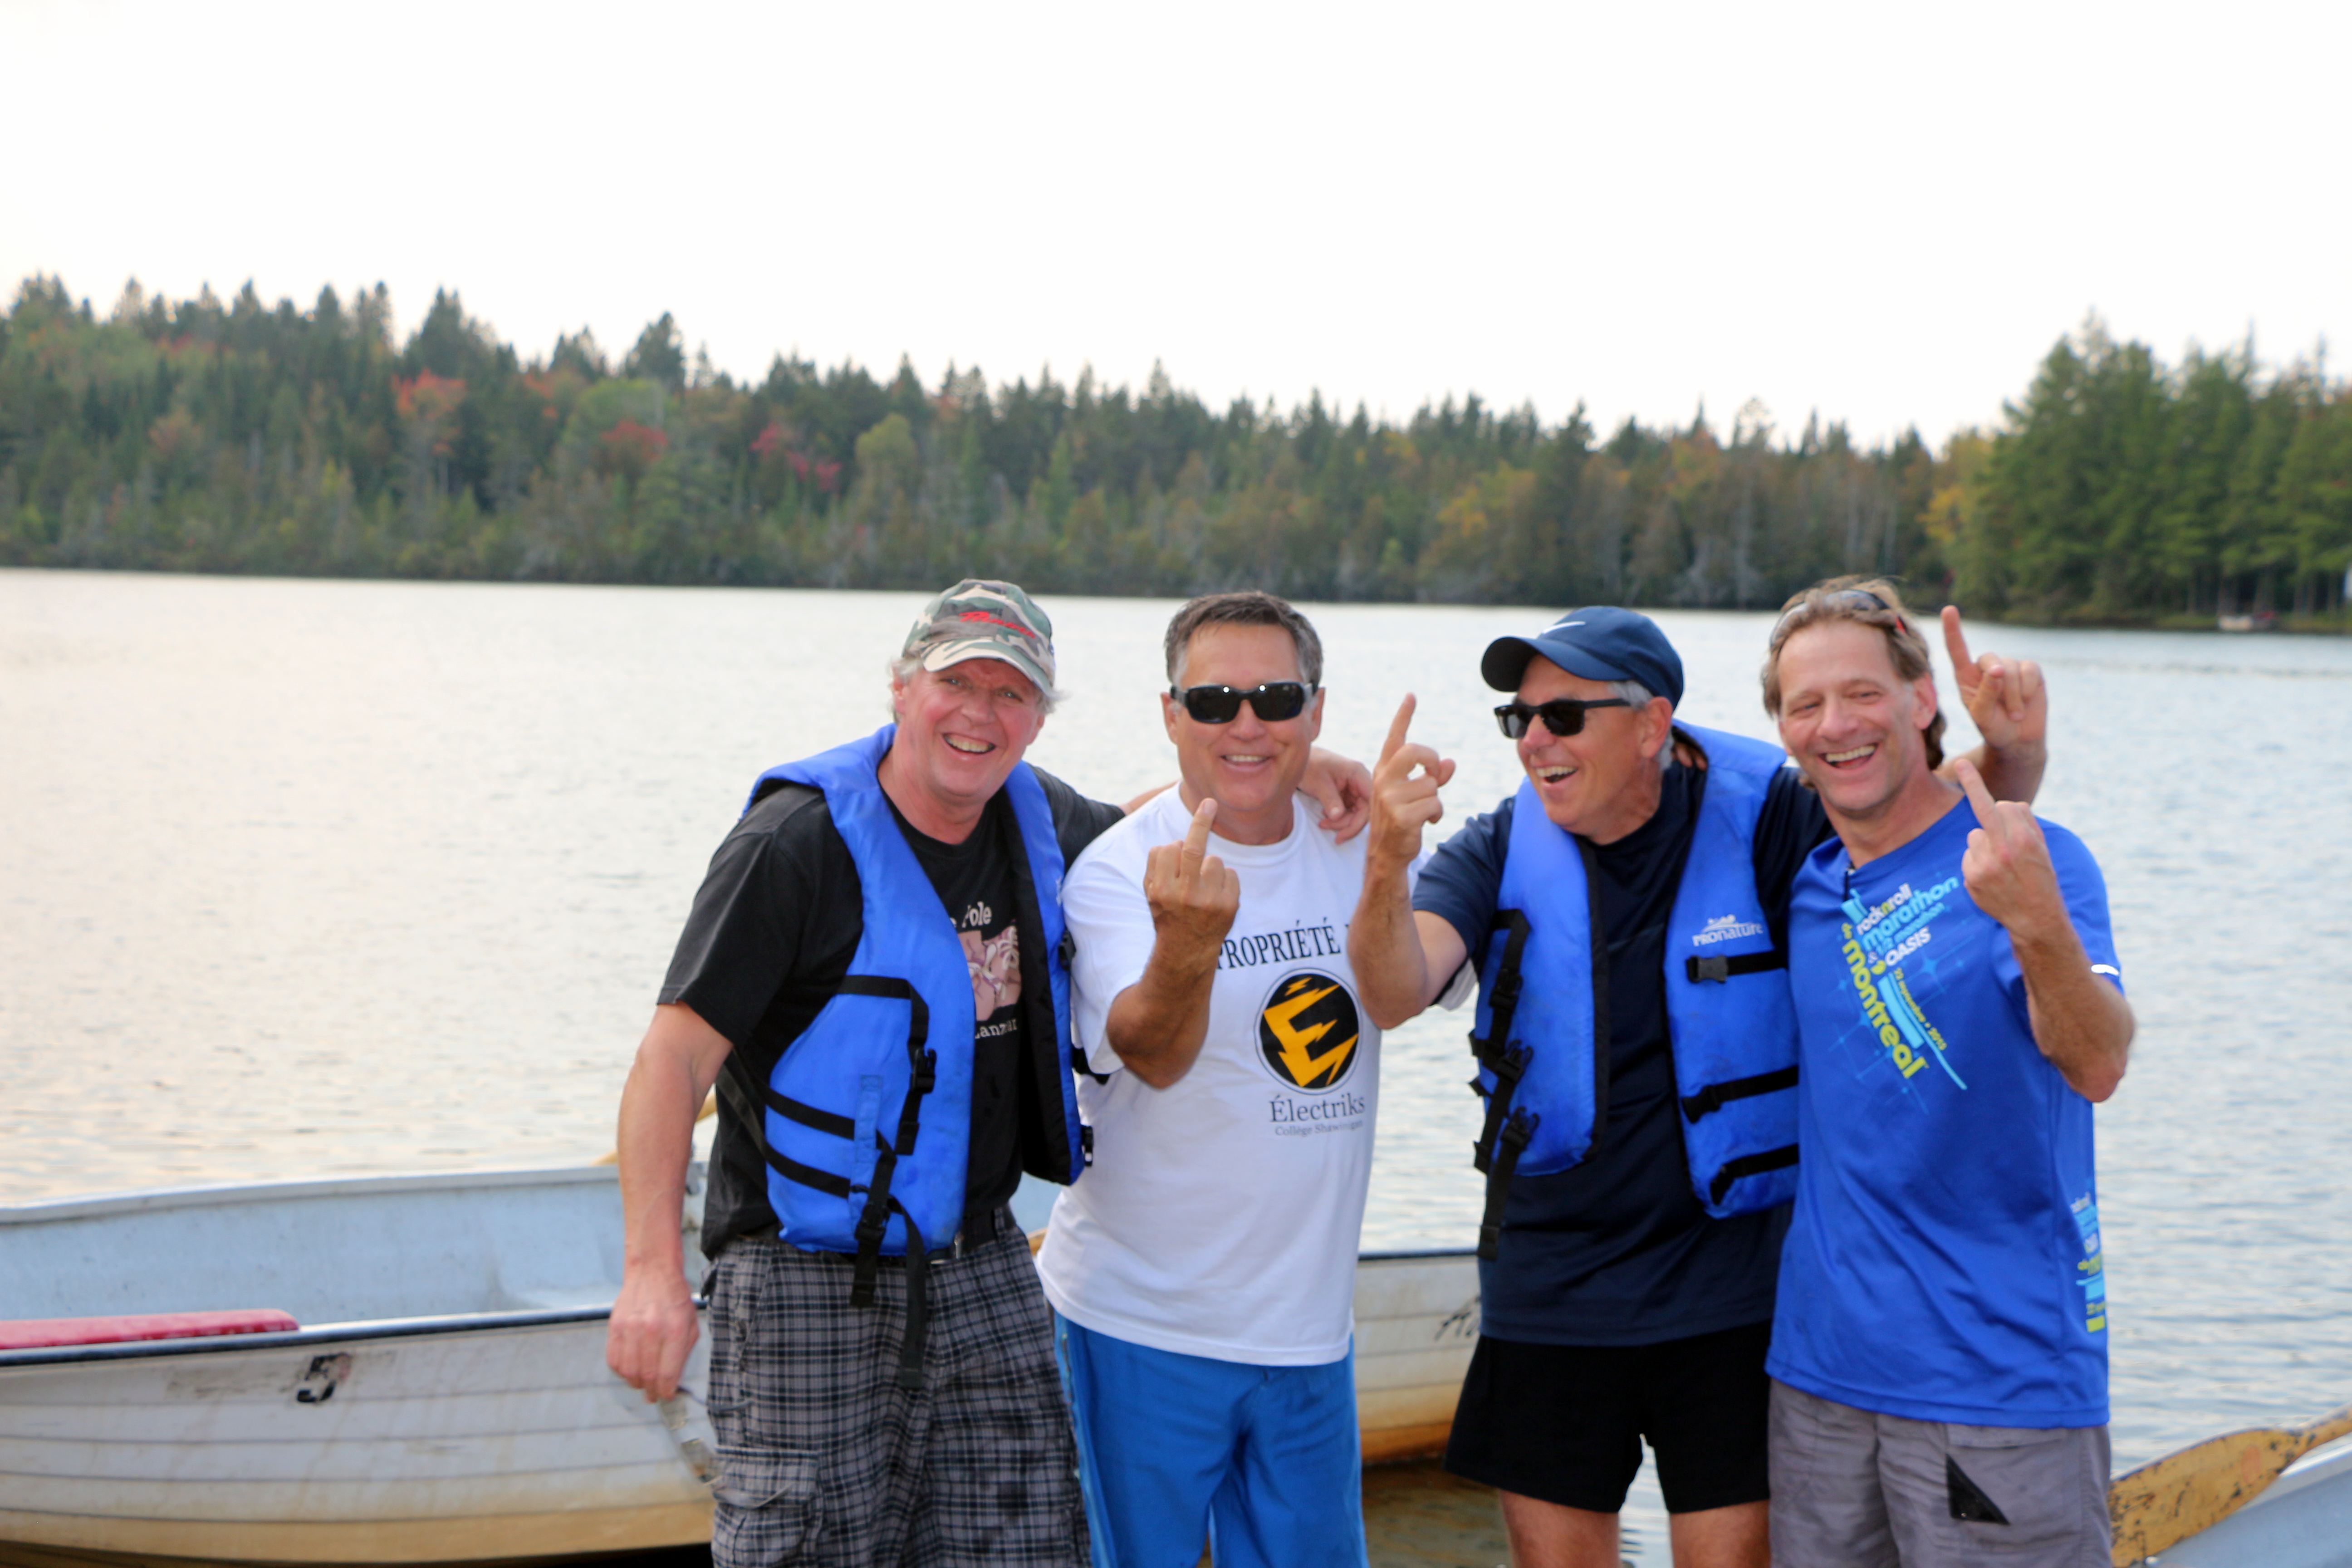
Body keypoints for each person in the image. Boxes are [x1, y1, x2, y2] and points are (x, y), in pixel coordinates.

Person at [604, 579, 1370, 1568]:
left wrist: (1294, 767)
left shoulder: (1042, 818)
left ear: (1040, 717)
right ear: (900, 688)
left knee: (1028, 1545)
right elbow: (670, 1062)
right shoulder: (792, 848)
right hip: (802, 1267)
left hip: (981, 1257)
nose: (980, 714)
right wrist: (652, 1275)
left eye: (1011, 694)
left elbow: (1163, 819)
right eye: (955, 683)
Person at [1349, 599, 2050, 1568]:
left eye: (1565, 716)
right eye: (1520, 718)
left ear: (1651, 725)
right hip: (1550, 1292)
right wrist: (1386, 861)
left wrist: (2013, 757)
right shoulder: (1497, 848)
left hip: (1736, 1293)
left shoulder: (1770, 821)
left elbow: (1928, 838)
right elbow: (1392, 992)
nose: (1535, 741)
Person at [1036, 592, 1459, 1568]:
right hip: (1138, 1326)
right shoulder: (1117, 872)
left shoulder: (1362, 841)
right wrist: (1187, 946)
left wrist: (1391, 860)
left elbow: (1401, 993)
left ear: (1316, 709)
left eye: (1275, 699)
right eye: (1213, 701)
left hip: (1309, 1338)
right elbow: (1152, 1051)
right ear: (1170, 713)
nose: (1246, 724)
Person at [1758, 580, 2131, 1568]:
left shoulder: (2030, 859)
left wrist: (2034, 920)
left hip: (1999, 1386)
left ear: (1922, 701)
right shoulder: (1811, 887)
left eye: (1863, 694)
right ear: (1785, 732)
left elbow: (2098, 1061)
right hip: (1820, 1385)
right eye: (1806, 704)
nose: (1836, 725)